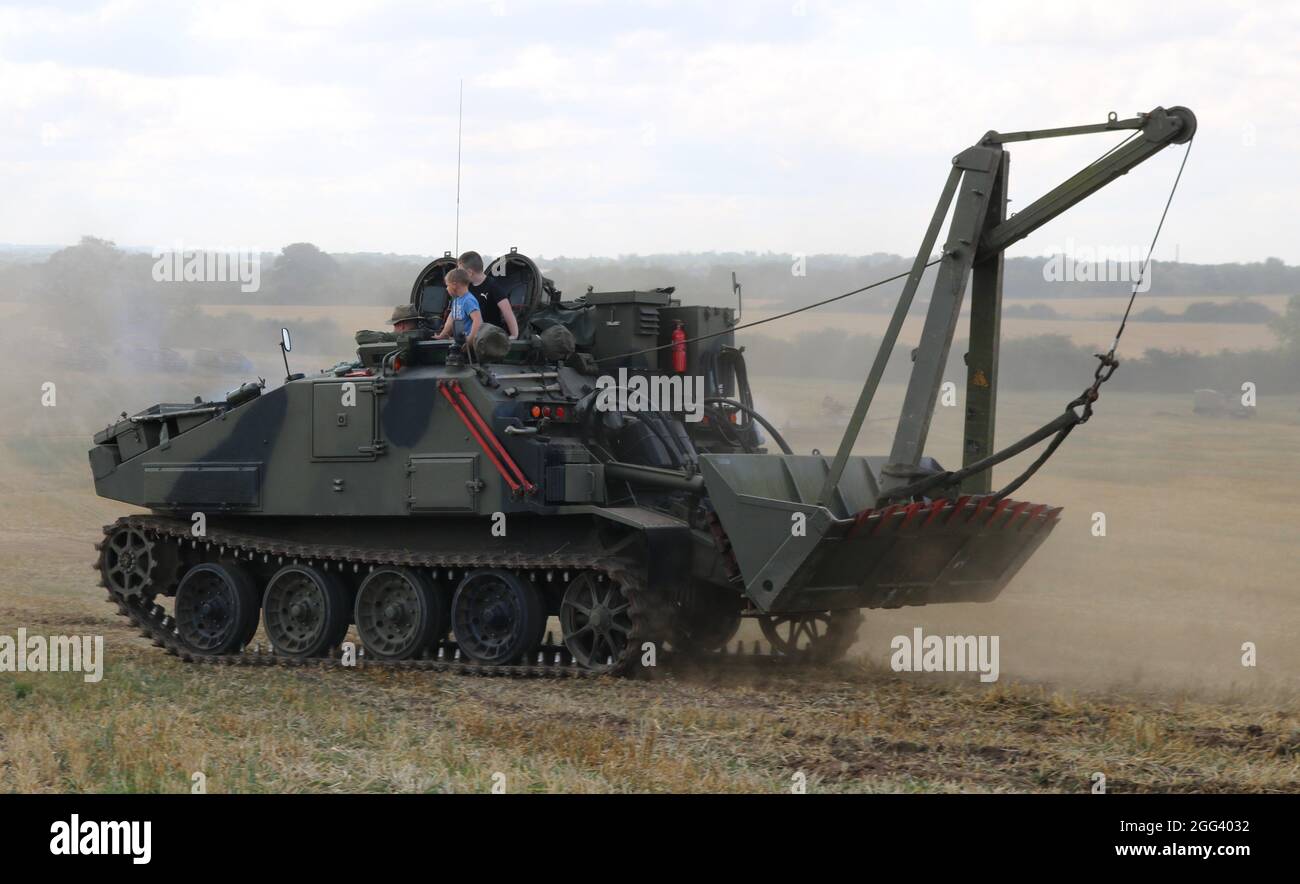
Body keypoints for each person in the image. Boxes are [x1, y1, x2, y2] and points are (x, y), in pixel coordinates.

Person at [458, 250, 520, 340]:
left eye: (461, 271)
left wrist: (514, 335)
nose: (459, 275)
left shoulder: (493, 286)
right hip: (469, 334)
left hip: (489, 336)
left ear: (470, 272)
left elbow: (507, 311)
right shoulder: (467, 287)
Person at [435, 267, 483, 345]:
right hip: (461, 342)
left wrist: (470, 340)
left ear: (454, 284)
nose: (447, 288)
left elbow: (478, 321)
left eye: (447, 285)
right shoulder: (456, 301)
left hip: (470, 344)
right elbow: (450, 320)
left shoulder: (468, 300)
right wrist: (442, 335)